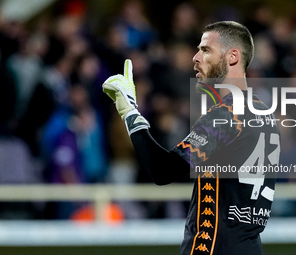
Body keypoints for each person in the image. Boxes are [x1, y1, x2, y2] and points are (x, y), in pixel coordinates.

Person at [102, 21, 280, 255]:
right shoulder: (265, 114)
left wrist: (130, 112)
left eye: (206, 50)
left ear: (233, 57)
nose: (195, 57)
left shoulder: (225, 115)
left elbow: (163, 171)